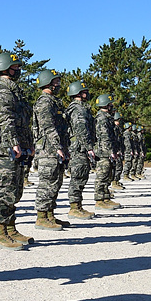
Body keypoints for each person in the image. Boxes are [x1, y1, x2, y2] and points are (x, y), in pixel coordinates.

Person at [0, 52, 34, 249]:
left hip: (18, 147)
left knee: (15, 189)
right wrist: (14, 143)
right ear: (5, 68)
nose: (18, 70)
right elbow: (5, 120)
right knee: (5, 189)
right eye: (15, 67)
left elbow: (24, 123)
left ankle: (11, 227)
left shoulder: (14, 91)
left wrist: (28, 143)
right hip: (7, 148)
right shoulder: (3, 92)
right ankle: (0, 231)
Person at [31, 69, 70, 230]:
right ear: (48, 83)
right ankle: (41, 217)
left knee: (56, 182)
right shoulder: (44, 102)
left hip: (55, 148)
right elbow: (48, 126)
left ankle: (50, 214)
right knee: (47, 183)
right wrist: (57, 146)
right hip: (48, 149)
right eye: (56, 82)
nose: (58, 85)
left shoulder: (54, 101)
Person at [65, 80, 96, 219]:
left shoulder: (81, 108)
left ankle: (78, 206)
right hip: (79, 148)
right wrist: (89, 147)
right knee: (78, 177)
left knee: (82, 176)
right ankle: (74, 208)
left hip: (80, 147)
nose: (86, 94)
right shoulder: (78, 109)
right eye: (84, 92)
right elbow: (81, 129)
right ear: (77, 93)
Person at [93, 94, 120, 210]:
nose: (111, 106)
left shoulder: (107, 117)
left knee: (108, 175)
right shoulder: (102, 118)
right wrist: (110, 151)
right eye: (110, 104)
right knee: (102, 176)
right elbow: (104, 137)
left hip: (107, 151)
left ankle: (105, 197)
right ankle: (99, 200)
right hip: (103, 152)